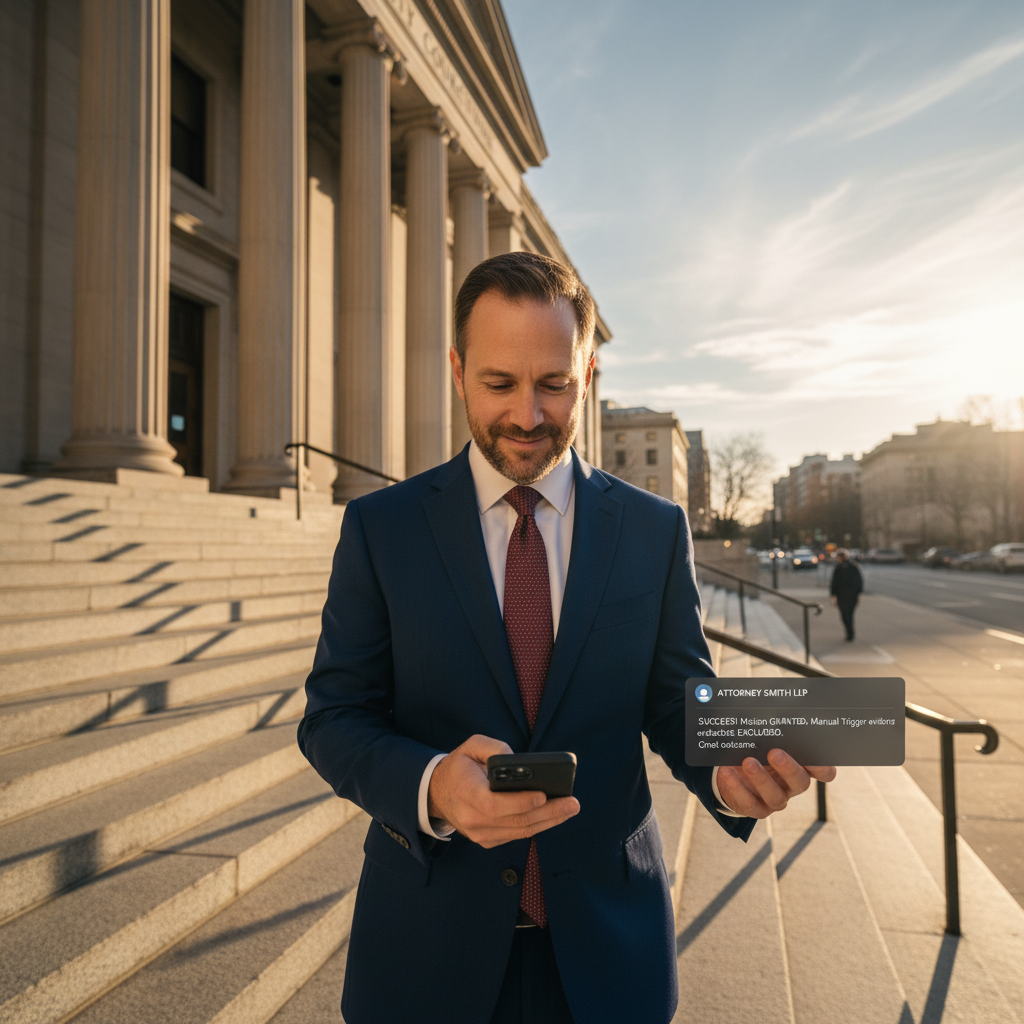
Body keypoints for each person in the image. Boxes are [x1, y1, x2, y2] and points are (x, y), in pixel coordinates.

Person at [298, 252, 836, 1024]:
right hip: (426, 952)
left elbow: (675, 701)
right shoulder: (382, 528)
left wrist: (728, 770)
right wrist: (432, 785)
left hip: (610, 955)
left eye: (553, 384)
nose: (527, 416)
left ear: (587, 375)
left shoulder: (653, 530)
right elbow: (333, 718)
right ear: (458, 372)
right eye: (499, 383)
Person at [830, 549, 863, 641]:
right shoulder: (851, 567)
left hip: (844, 595)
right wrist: (858, 593)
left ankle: (850, 632)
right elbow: (859, 581)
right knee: (849, 614)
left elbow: (834, 582)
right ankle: (850, 631)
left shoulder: (843, 568)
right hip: (849, 595)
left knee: (845, 614)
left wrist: (833, 594)